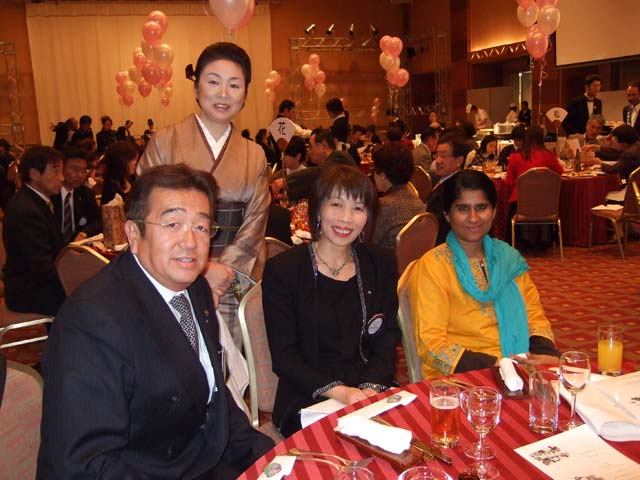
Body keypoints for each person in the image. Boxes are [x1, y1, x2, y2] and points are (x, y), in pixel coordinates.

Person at [37, 163, 273, 479]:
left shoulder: (195, 290)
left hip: (198, 460)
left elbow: (214, 399)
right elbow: (88, 464)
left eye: (201, 227)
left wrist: (272, 460)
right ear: (134, 234)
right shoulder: (91, 320)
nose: (190, 241)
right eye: (173, 224)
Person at [138, 42, 270, 347]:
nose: (223, 94)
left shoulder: (255, 155)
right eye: (213, 82)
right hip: (172, 270)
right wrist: (201, 268)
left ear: (245, 93)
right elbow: (145, 212)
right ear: (196, 87)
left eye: (234, 85)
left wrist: (223, 272)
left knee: (224, 360)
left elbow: (255, 224)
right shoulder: (164, 142)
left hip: (229, 278)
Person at [263, 164, 400, 437]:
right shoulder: (284, 270)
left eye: (358, 208)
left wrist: (369, 387)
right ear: (317, 209)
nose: (346, 219)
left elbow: (386, 338)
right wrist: (343, 393)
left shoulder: (379, 263)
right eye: (336, 204)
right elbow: (285, 358)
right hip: (309, 393)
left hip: (369, 386)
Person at [407, 170, 560, 379]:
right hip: (462, 377)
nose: (473, 218)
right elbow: (431, 345)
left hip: (520, 366)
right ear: (447, 215)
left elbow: (534, 317)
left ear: (494, 211)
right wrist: (497, 365)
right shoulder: (433, 267)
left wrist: (545, 354)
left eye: (481, 207)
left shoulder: (508, 260)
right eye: (463, 208)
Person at [2, 146, 65, 315]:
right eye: (56, 172)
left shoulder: (36, 200)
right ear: (34, 174)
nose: (62, 178)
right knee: (91, 298)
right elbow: (42, 266)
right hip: (29, 290)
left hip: (40, 281)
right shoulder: (26, 210)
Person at [370, 143, 426, 251]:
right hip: (416, 260)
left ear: (382, 176)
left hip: (388, 260)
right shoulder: (419, 202)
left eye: (374, 169)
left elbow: (370, 243)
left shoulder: (383, 206)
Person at [286, 129, 355, 202]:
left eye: (311, 147)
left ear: (324, 146)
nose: (308, 152)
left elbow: (317, 172)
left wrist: (285, 181)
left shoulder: (340, 157)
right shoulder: (329, 161)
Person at [52, 146, 101, 243]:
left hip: (77, 246)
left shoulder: (86, 194)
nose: (80, 175)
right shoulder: (51, 194)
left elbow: (97, 221)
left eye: (83, 171)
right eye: (75, 169)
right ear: (61, 168)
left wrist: (84, 233)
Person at [426, 134, 468, 246]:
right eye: (436, 155)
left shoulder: (454, 189)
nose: (438, 160)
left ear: (459, 161)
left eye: (444, 156)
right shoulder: (443, 180)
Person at [101, 140, 138, 205]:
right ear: (121, 162)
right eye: (132, 159)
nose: (135, 162)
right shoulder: (110, 190)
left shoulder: (130, 181)